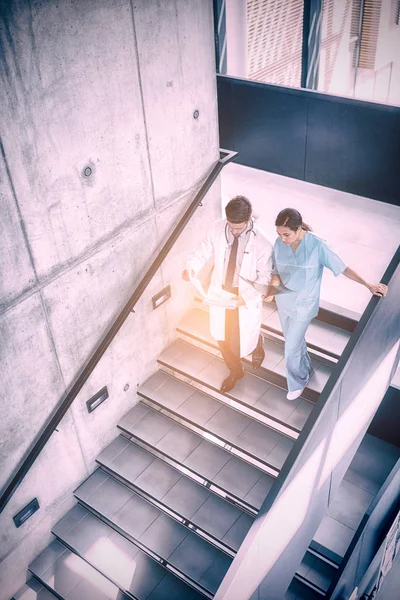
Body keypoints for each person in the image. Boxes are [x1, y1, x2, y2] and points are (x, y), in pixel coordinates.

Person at [267, 208, 388, 401]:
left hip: (303, 307)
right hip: (283, 302)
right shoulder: (279, 243)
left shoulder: (318, 245)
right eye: (279, 234)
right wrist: (271, 289)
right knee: (293, 340)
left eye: (286, 234)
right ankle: (305, 366)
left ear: (298, 229)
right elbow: (276, 269)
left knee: (290, 348)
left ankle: (297, 382)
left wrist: (368, 284)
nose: (282, 239)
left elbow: (343, 268)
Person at [182, 196, 273, 393]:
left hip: (244, 296)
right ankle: (235, 372)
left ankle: (258, 343)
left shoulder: (264, 243)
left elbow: (265, 278)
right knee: (221, 336)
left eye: (238, 228)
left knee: (243, 333)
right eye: (231, 226)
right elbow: (202, 250)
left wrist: (245, 299)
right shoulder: (217, 228)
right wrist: (192, 268)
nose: (233, 231)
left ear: (249, 220)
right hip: (220, 293)